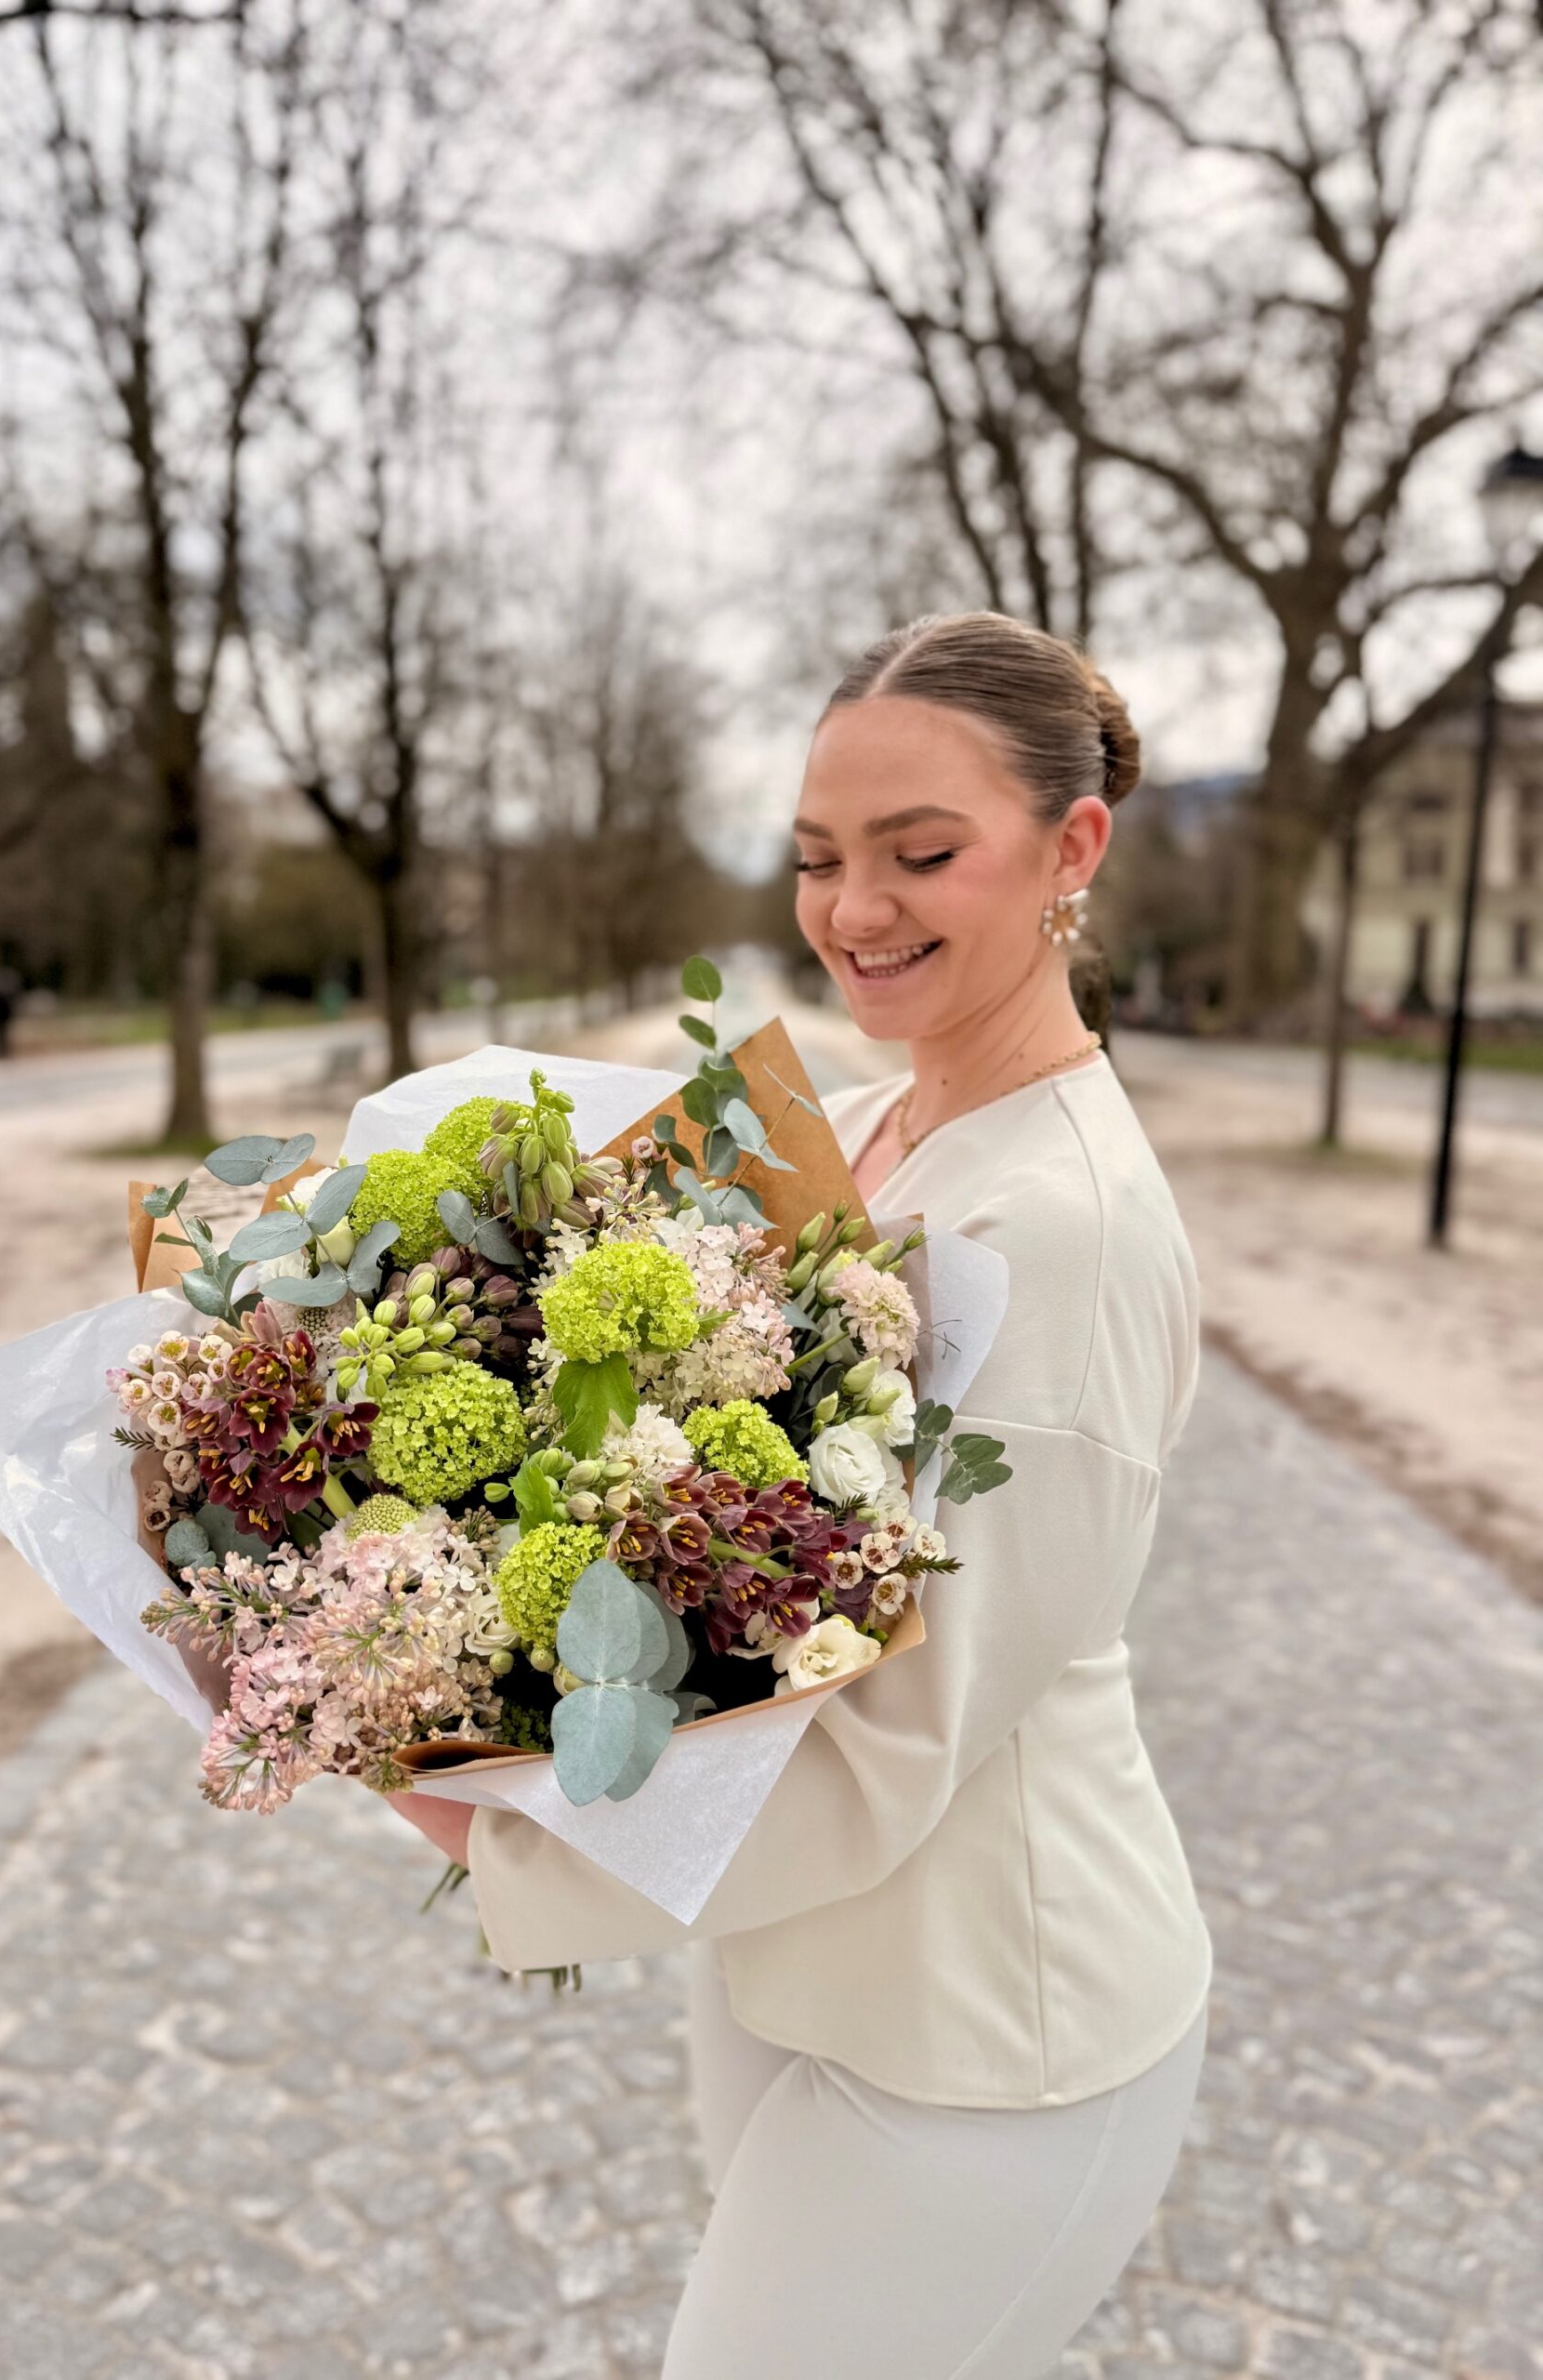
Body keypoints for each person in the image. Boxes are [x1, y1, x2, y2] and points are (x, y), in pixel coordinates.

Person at [392, 610, 1215, 2376]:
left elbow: (897, 1740)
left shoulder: (1061, 1233)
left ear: (1073, 848)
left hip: (996, 2027)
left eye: (924, 854)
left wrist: (477, 1819)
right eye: (819, 859)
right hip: (793, 1966)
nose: (855, 911)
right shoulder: (850, 1125)